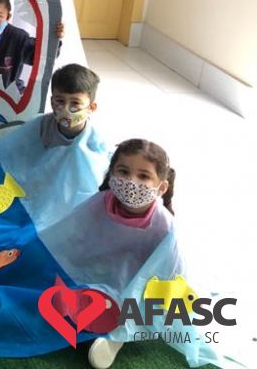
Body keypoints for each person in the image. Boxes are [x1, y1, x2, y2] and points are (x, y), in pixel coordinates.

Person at [38, 139, 178, 369]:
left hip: (135, 288)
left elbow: (166, 279)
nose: (131, 182)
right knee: (58, 292)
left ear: (161, 187)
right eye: (123, 171)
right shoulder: (101, 202)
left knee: (117, 309)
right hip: (94, 272)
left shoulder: (165, 227)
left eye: (143, 176)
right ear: (111, 174)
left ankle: (116, 337)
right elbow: (69, 238)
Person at [0, 63, 109, 229]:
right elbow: (14, 152)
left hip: (64, 196)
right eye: (60, 101)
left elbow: (89, 181)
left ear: (91, 107)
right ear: (51, 100)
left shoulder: (95, 142)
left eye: (75, 103)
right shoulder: (41, 125)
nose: (66, 109)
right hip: (37, 185)